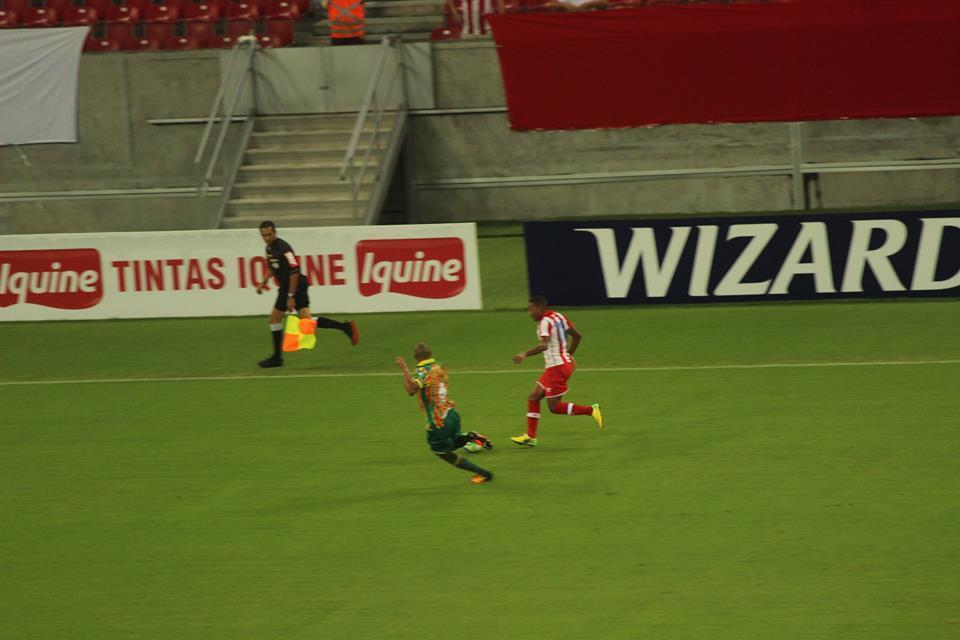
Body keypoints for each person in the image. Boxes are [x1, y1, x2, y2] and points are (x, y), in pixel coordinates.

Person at [255, 220, 359, 368]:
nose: (267, 237)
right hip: (291, 286)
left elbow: (294, 272)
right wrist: (264, 281)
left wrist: (290, 296)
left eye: (270, 234)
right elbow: (272, 267)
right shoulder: (269, 249)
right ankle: (345, 327)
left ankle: (277, 358)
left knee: (274, 319)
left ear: (275, 233)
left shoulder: (284, 249)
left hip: (293, 286)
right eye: (264, 235)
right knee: (306, 321)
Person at [510, 295, 603, 446]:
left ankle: (591, 410)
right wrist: (568, 356)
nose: (529, 313)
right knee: (533, 397)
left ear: (540, 308)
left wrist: (524, 353)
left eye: (531, 309)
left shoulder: (544, 322)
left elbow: (543, 345)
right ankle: (530, 436)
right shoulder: (559, 316)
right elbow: (577, 336)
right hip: (560, 365)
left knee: (554, 407)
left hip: (556, 368)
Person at [396, 343, 494, 484]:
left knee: (443, 452)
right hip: (451, 414)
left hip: (438, 422)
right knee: (450, 443)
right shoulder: (439, 366)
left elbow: (411, 389)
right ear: (430, 354)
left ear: (415, 357)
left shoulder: (422, 371)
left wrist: (404, 368)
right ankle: (468, 437)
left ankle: (484, 474)